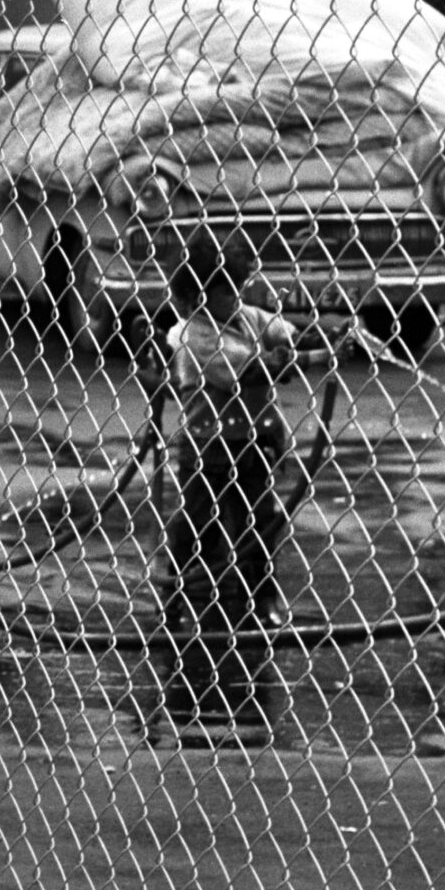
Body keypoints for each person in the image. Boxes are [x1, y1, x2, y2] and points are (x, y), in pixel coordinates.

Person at [157, 232, 303, 738]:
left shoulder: (244, 317)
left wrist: (297, 339)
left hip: (256, 445)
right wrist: (284, 360)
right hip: (209, 448)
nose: (236, 299)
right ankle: (173, 591)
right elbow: (247, 372)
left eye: (239, 288)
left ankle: (259, 600)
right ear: (199, 297)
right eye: (226, 291)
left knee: (260, 523)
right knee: (197, 520)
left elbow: (278, 329)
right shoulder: (195, 336)